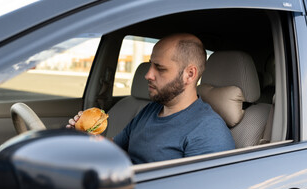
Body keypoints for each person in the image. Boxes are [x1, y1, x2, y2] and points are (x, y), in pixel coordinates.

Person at [68, 33, 235, 164]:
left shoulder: (208, 132)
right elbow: (114, 146)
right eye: (150, 65)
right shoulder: (152, 109)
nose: (148, 75)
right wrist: (84, 138)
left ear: (189, 74)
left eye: (160, 68)